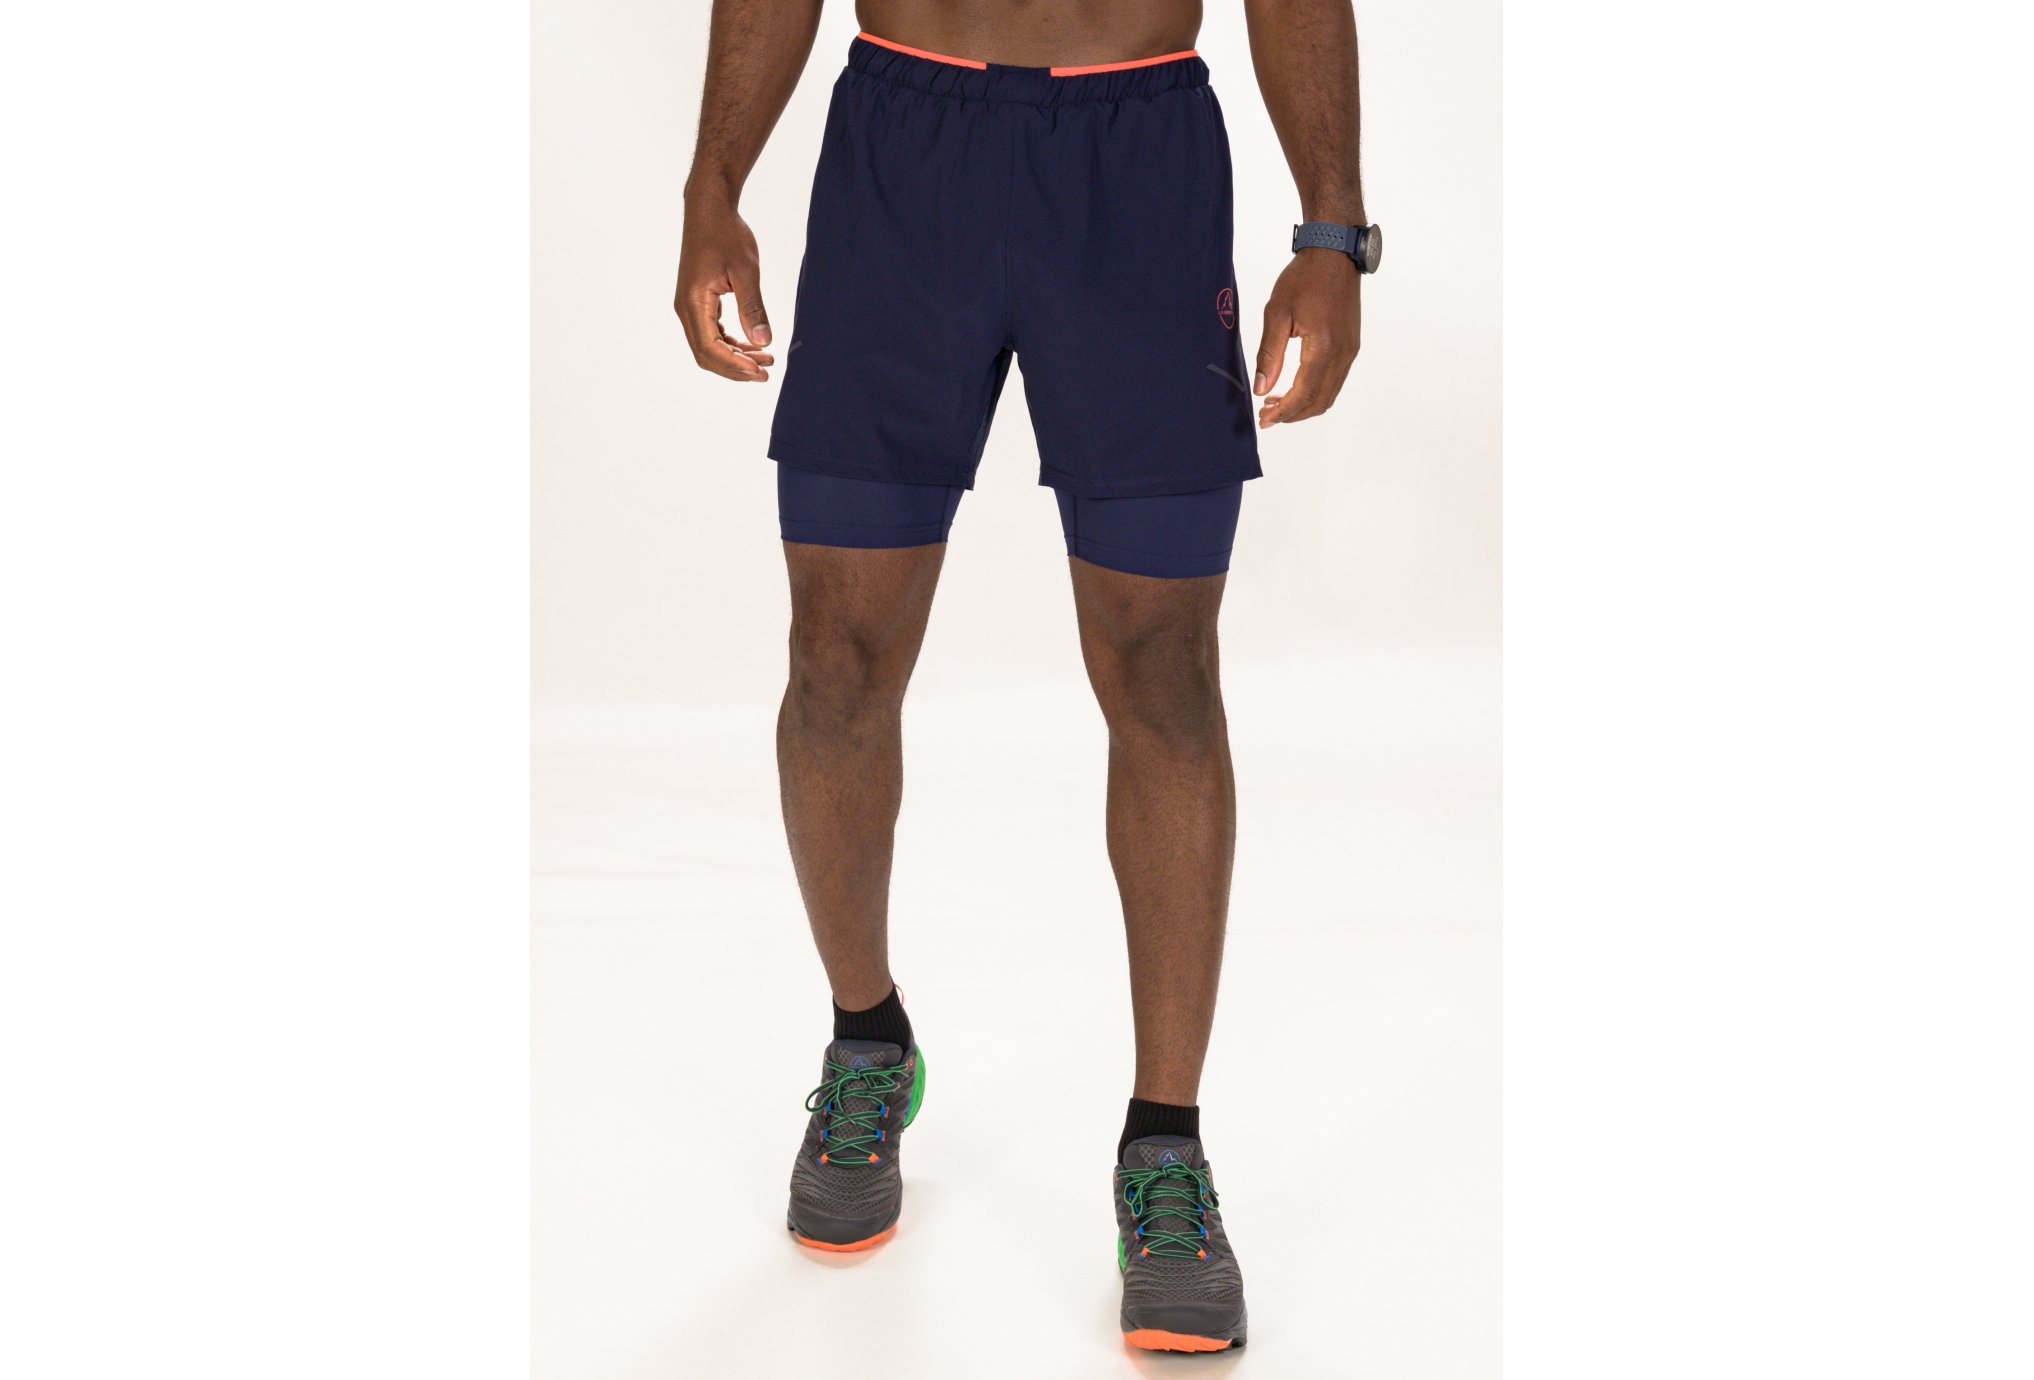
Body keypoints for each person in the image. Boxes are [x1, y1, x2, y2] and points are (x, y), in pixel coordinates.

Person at [674, 0, 1377, 1353]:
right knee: (836, 659)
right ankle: (868, 1042)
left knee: (1163, 673)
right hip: (899, 155)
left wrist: (1332, 235)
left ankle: (1164, 1146)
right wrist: (713, 186)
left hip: (1138, 161)